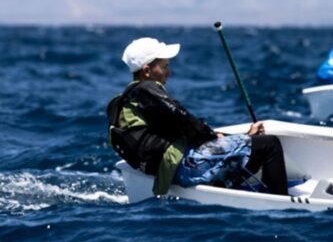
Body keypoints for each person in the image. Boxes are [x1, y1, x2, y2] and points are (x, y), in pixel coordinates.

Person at [106, 37, 288, 196]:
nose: (169, 72)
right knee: (268, 144)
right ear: (147, 71)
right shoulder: (146, 89)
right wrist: (212, 136)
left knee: (248, 145)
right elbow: (182, 117)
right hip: (185, 167)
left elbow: (178, 128)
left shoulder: (128, 99)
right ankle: (281, 204)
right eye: (164, 66)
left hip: (169, 168)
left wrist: (235, 137)